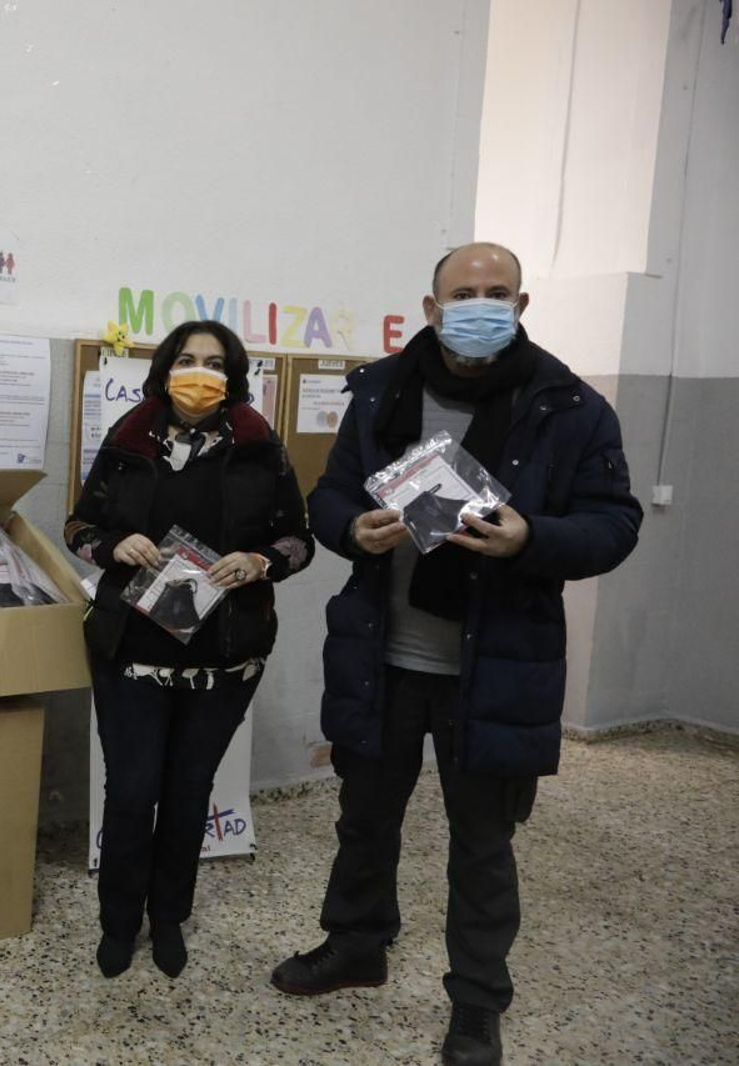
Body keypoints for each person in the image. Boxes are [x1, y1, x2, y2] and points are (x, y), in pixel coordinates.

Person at [271, 243, 642, 1065]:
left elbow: (615, 523)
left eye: (497, 292)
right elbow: (329, 494)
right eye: (463, 293)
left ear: (521, 305)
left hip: (496, 664)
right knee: (365, 819)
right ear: (432, 308)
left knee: (482, 844)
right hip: (382, 654)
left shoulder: (570, 407)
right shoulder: (380, 391)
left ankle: (476, 1000)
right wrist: (350, 527)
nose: (481, 305)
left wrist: (531, 538)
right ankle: (356, 944)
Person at [67, 320, 314, 978]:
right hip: (132, 648)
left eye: (214, 363)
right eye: (186, 360)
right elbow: (78, 526)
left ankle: (169, 916)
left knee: (187, 791)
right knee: (131, 792)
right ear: (165, 370)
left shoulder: (262, 449)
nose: (199, 373)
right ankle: (119, 922)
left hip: (224, 655)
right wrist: (111, 545)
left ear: (232, 377)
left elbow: (300, 540)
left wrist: (260, 561)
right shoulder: (127, 441)